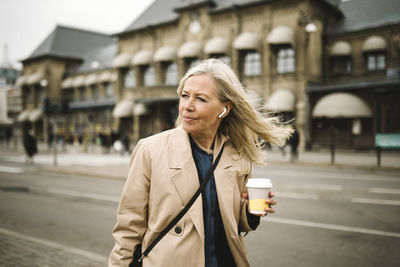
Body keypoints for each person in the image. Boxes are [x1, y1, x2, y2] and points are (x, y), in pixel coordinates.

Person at [109, 59, 292, 267]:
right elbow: (128, 228)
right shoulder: (150, 149)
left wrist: (250, 211)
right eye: (185, 96)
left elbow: (235, 225)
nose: (187, 106)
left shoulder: (237, 154)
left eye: (201, 99)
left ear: (225, 109)